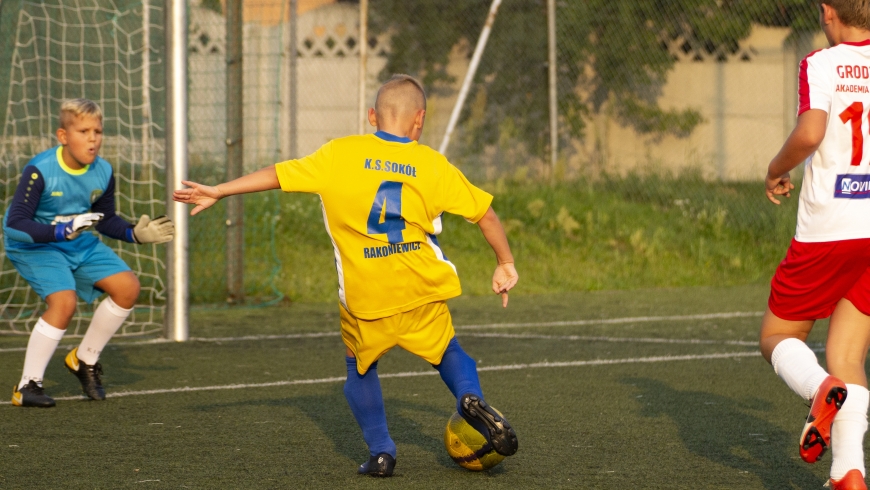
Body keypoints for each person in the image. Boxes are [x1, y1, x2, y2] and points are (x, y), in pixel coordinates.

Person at [174, 74, 519, 477]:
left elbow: (278, 175)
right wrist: (505, 262)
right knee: (449, 353)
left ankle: (381, 452)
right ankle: (468, 397)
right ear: (419, 120)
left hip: (366, 296)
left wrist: (220, 190)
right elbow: (485, 213)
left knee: (359, 368)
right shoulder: (432, 164)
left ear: (372, 115)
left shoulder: (340, 154)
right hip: (420, 287)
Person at [762, 2, 870, 489]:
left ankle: (818, 389)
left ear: (829, 12)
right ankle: (849, 472)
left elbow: (810, 133)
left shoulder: (820, 62)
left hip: (829, 229)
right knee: (849, 357)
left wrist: (774, 168)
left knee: (777, 338)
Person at [5, 98, 175, 408]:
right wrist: (60, 231)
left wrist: (134, 233)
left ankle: (85, 359)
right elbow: (15, 225)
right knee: (64, 302)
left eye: (98, 130)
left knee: (128, 288)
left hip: (77, 244)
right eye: (83, 131)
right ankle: (28, 385)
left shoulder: (104, 171)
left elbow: (105, 219)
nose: (92, 138)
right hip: (37, 245)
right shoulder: (39, 170)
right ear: (63, 136)